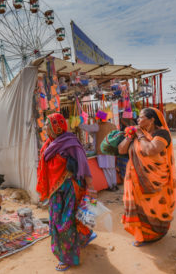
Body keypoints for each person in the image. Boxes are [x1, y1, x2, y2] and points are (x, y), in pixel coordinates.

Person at [37, 113, 97, 272]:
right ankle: (81, 240)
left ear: (56, 127)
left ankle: (67, 257)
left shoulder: (71, 143)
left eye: (47, 125)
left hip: (70, 189)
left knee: (66, 222)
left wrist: (90, 187)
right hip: (55, 192)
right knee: (60, 221)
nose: (45, 128)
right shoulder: (50, 143)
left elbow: (84, 166)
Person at [118, 108, 176, 247]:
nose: (138, 120)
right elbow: (121, 150)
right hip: (136, 179)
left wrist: (139, 134)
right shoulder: (138, 134)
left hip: (156, 180)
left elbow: (151, 150)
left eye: (141, 117)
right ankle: (143, 235)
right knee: (139, 207)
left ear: (152, 120)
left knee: (156, 206)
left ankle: (157, 233)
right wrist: (129, 137)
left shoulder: (162, 133)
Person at [79, 116, 118, 191]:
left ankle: (111, 186)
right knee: (112, 168)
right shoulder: (112, 125)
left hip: (102, 150)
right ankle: (114, 184)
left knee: (106, 169)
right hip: (111, 149)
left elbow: (88, 128)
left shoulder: (98, 126)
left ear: (99, 118)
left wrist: (80, 124)